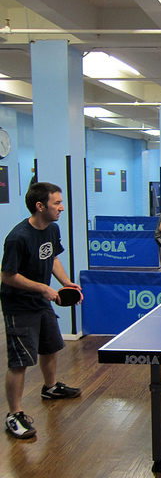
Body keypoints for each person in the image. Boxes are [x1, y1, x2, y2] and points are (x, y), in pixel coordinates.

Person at [2, 182, 83, 440]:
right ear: (40, 206)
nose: (62, 207)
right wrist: (41, 288)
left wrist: (66, 283)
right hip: (19, 304)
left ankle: (50, 388)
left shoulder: (52, 228)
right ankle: (14, 415)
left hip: (41, 300)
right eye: (56, 203)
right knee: (20, 361)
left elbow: (53, 258)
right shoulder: (18, 237)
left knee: (51, 346)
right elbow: (7, 276)